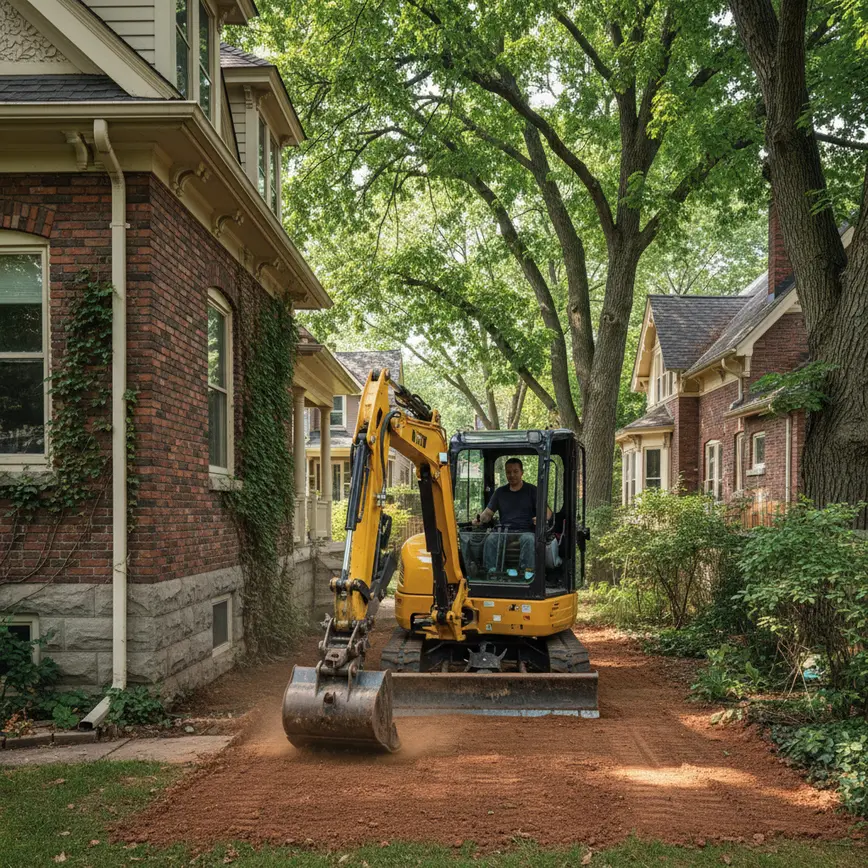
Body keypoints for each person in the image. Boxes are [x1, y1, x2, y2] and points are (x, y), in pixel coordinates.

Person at [472, 457, 547, 576]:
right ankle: (491, 573)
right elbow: (487, 514)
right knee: (491, 539)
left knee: (529, 540)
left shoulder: (532, 490)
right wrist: (479, 520)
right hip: (504, 531)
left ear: (522, 472)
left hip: (525, 531)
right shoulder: (500, 492)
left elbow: (547, 512)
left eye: (515, 471)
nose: (512, 475)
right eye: (508, 472)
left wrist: (542, 518)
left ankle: (527, 574)